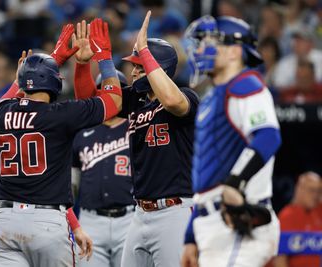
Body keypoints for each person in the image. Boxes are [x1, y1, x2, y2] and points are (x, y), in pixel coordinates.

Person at [0, 21, 122, 267]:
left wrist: (51, 59)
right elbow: (113, 101)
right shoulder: (60, 114)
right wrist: (103, 58)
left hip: (3, 221)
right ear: (54, 82)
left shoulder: (0, 115)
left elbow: (1, 108)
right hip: (46, 222)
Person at [181, 15, 282, 267]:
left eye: (211, 42)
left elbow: (269, 136)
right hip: (210, 223)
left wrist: (236, 182)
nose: (202, 49)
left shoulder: (246, 84)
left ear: (234, 52)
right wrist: (191, 236)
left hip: (237, 221)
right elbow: (207, 175)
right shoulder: (213, 96)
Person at [119, 11, 199, 267]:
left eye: (139, 67)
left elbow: (173, 101)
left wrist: (146, 52)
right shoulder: (135, 100)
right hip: (140, 212)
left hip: (174, 211)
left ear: (159, 69)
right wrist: (98, 61)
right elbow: (93, 99)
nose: (132, 72)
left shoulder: (187, 96)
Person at [72, 69, 135, 267]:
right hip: (91, 220)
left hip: (130, 217)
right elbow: (72, 183)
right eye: (102, 90)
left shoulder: (136, 127)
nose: (108, 94)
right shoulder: (82, 132)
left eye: (115, 90)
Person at [273, 171, 322, 267]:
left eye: (319, 191)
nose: (315, 195)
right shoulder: (288, 215)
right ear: (300, 189)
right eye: (312, 190)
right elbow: (280, 258)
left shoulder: (319, 211)